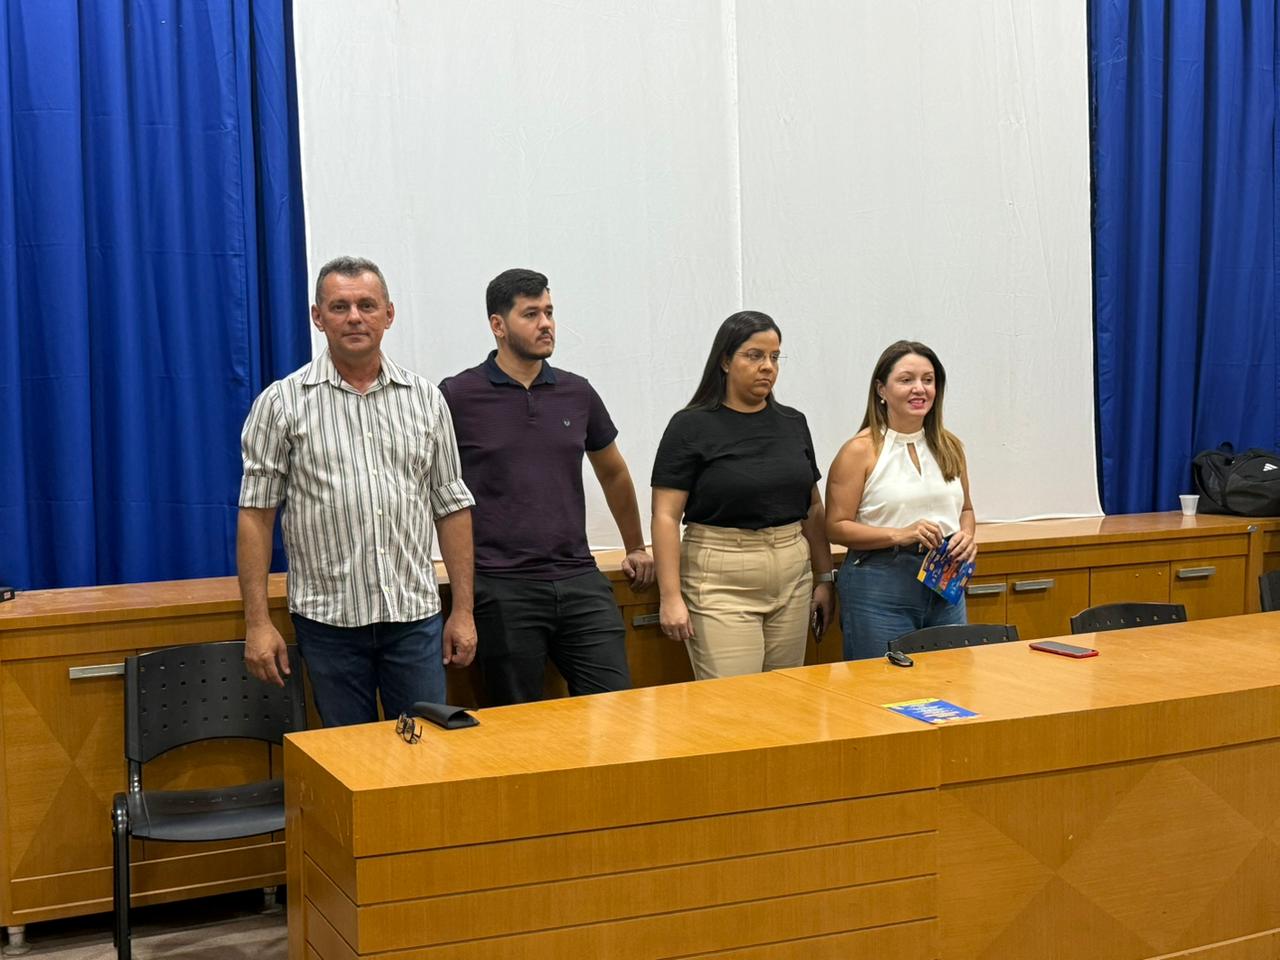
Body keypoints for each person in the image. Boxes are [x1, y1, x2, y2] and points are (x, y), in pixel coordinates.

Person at [237, 256, 477, 726]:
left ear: (389, 314)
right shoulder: (281, 404)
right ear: (317, 316)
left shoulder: (427, 400)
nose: (354, 317)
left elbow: (451, 508)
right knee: (347, 758)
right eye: (339, 306)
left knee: (428, 750)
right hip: (328, 625)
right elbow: (255, 515)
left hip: (413, 618)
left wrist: (464, 611)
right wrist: (257, 622)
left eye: (367, 305)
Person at [438, 268, 654, 705]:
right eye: (531, 314)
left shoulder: (577, 392)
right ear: (498, 325)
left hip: (579, 578)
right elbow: (436, 489)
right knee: (519, 723)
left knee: (618, 711)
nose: (546, 324)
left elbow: (613, 472)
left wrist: (636, 546)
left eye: (549, 312)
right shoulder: (457, 396)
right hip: (502, 586)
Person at [650, 311, 835, 680]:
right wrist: (670, 597)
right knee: (735, 702)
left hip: (792, 570)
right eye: (754, 355)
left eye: (774, 357)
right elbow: (665, 516)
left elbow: (813, 508)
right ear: (725, 360)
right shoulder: (690, 425)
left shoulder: (793, 422)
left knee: (786, 695)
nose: (767, 366)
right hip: (721, 576)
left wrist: (825, 577)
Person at [825, 340, 977, 660]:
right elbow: (836, 527)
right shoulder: (859, 450)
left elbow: (965, 509)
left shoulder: (950, 446)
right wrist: (899, 534)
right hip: (879, 582)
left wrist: (966, 535)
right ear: (881, 389)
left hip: (945, 578)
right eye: (906, 380)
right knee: (884, 683)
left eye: (928, 380)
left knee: (952, 678)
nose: (919, 388)